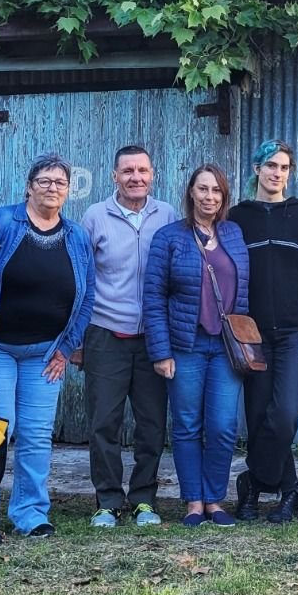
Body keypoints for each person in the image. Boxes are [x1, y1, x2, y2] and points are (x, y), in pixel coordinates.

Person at [0, 154, 95, 544]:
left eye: (60, 182)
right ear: (29, 187)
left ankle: (30, 513)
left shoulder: (77, 237)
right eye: (44, 181)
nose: (52, 188)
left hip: (45, 355)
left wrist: (67, 346)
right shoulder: (1, 223)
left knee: (36, 435)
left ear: (69, 190)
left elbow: (88, 296)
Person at [144, 164, 250, 528]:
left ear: (224, 196)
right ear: (191, 192)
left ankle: (214, 500)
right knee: (187, 425)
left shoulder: (233, 233)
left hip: (226, 347)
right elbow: (153, 296)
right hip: (185, 345)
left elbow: (242, 289)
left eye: (216, 190)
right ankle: (193, 501)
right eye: (203, 189)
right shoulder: (169, 237)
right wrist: (161, 351)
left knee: (222, 426)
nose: (209, 197)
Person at [80, 145, 176, 529]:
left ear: (152, 174)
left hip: (154, 336)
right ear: (115, 176)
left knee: (151, 425)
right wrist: (77, 339)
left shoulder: (167, 214)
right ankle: (107, 500)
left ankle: (143, 499)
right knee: (104, 421)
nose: (136, 177)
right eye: (128, 171)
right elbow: (82, 277)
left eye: (142, 170)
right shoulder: (95, 216)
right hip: (105, 333)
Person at [228, 140, 298, 524]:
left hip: (293, 333)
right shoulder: (237, 217)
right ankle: (288, 491)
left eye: (284, 167)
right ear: (257, 169)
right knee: (257, 414)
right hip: (252, 333)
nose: (277, 173)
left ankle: (252, 480)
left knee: (285, 412)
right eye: (270, 165)